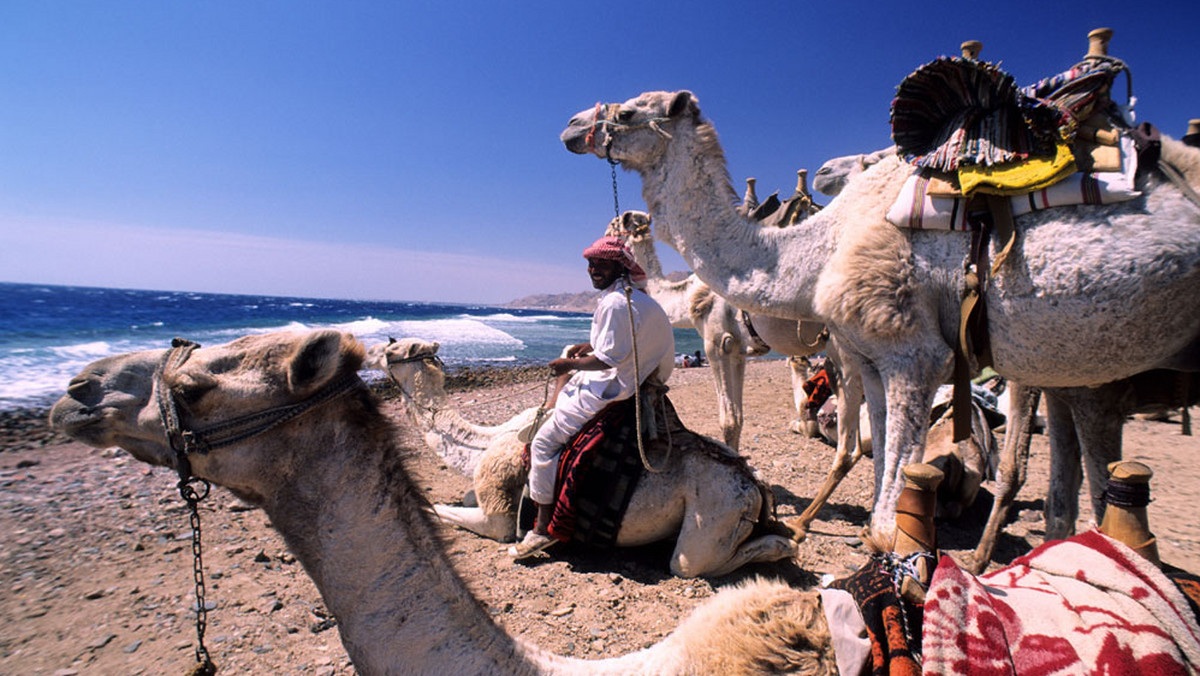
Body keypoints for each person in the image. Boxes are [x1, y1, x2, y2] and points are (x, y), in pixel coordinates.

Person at [508, 235, 675, 558]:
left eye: (600, 263)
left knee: (542, 442)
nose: (592, 269)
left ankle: (542, 529)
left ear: (619, 264)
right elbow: (620, 345)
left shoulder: (615, 303)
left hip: (614, 387)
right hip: (637, 376)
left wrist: (567, 364)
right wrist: (590, 348)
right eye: (590, 263)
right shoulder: (635, 298)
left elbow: (609, 360)